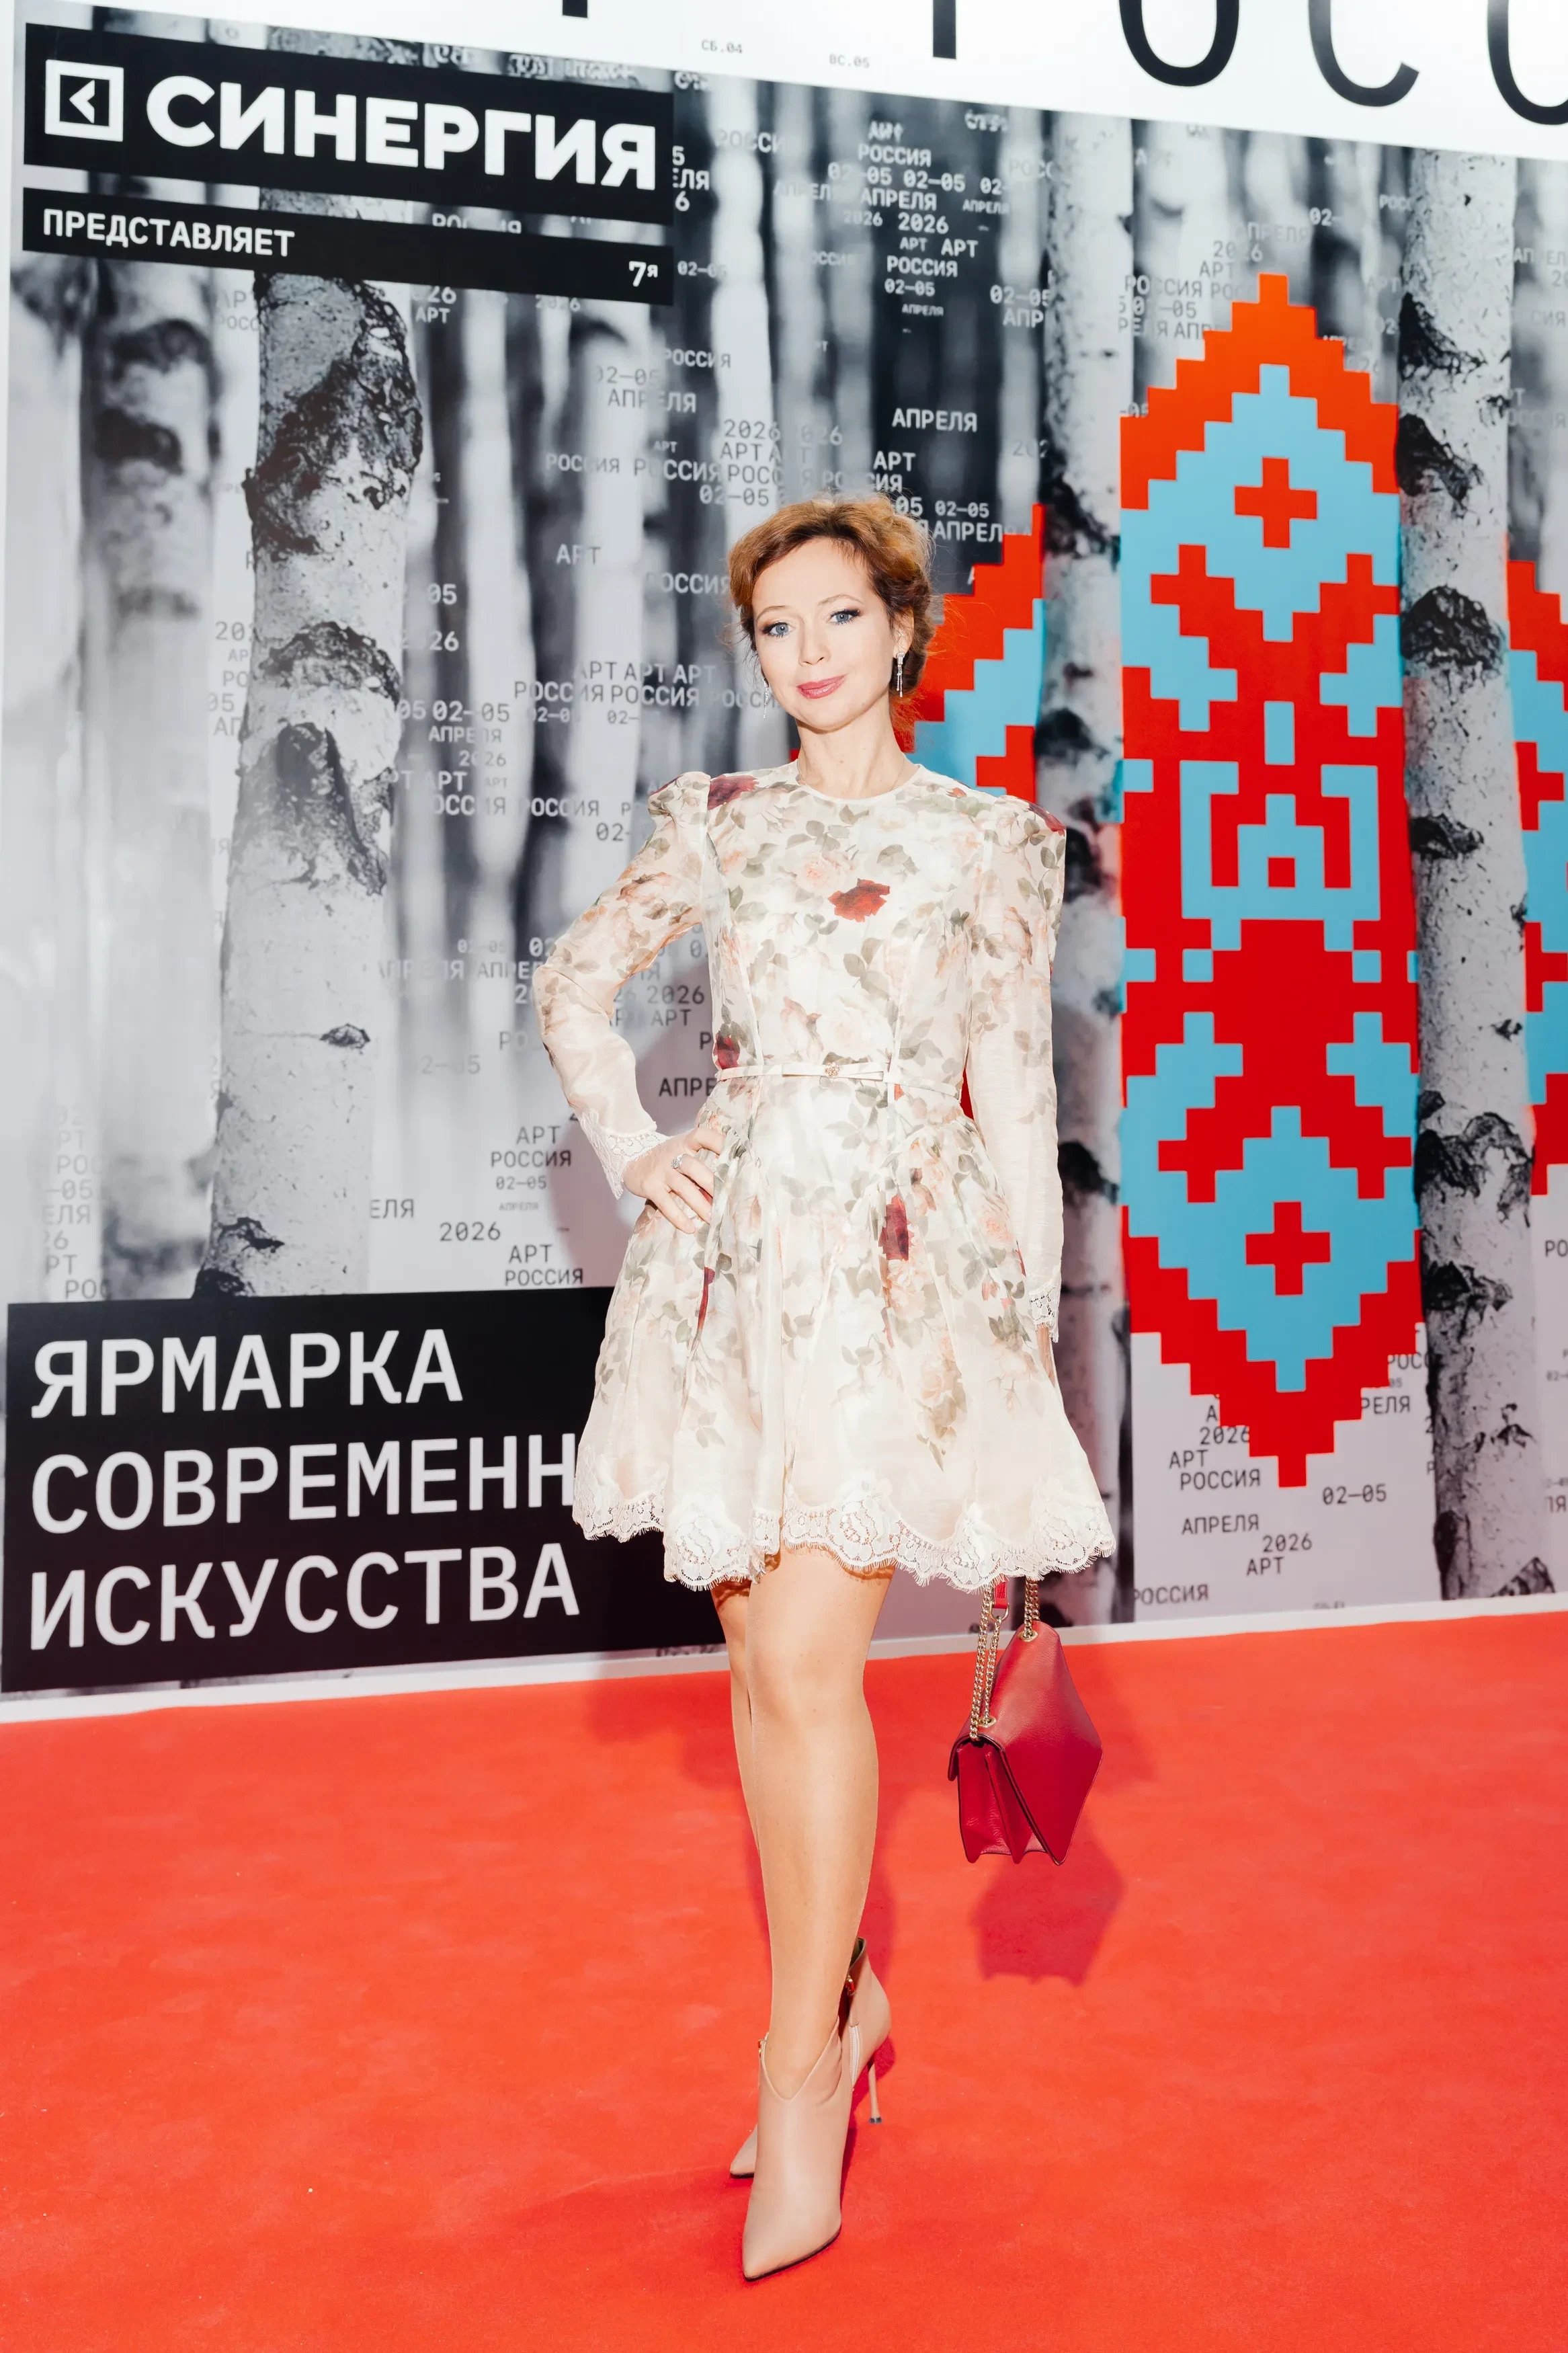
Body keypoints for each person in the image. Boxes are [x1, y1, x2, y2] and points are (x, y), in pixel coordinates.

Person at [534, 495, 1113, 2279]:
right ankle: (847, 2004)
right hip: (732, 1283)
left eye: (837, 616)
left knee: (803, 1670)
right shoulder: (715, 825)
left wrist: (1019, 1347)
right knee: (760, 1679)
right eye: (775, 626)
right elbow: (573, 984)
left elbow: (1017, 1097)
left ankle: (798, 2076)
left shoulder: (993, 845)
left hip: (897, 1283)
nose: (807, 653)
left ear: (901, 627)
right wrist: (640, 1150)